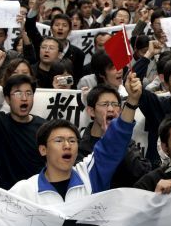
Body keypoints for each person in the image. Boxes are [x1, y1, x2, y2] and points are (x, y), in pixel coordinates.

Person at [9, 72, 141, 204]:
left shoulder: (88, 176)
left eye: (72, 141)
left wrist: (132, 101)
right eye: (59, 140)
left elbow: (114, 143)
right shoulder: (24, 191)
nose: (67, 145)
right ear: (43, 149)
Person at [78, 84, 152, 188]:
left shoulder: (127, 142)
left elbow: (142, 172)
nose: (111, 109)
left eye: (115, 104)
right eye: (105, 104)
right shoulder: (79, 144)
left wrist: (117, 139)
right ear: (91, 111)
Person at [0, 75, 46, 190]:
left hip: (36, 194)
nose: (24, 98)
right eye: (18, 93)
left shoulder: (44, 127)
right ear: (7, 99)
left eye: (29, 93)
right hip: (5, 195)